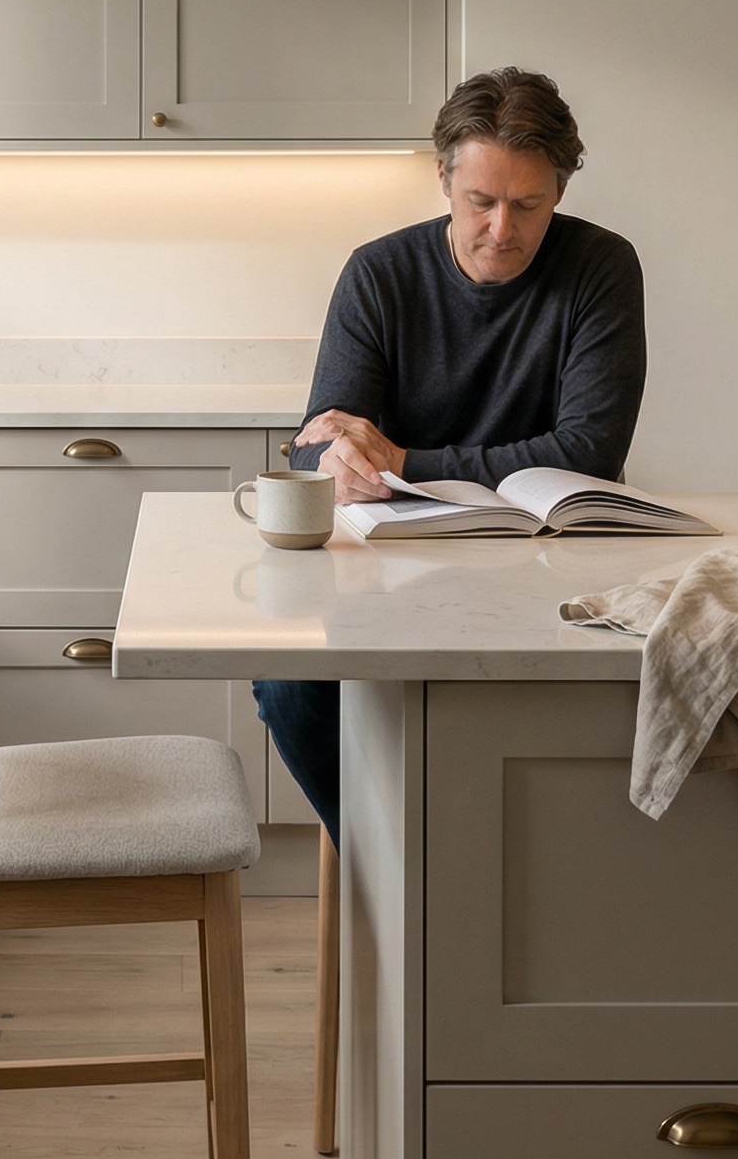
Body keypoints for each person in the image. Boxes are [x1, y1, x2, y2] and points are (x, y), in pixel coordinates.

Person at [255, 67, 647, 845]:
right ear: (443, 179)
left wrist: (400, 458)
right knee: (290, 684)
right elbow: (318, 446)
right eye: (482, 202)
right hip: (391, 569)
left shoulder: (601, 268)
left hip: (553, 561)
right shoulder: (379, 273)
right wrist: (338, 460)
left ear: (560, 192)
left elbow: (588, 452)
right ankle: (392, 865)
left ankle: (493, 874)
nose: (503, 228)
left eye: (527, 205)